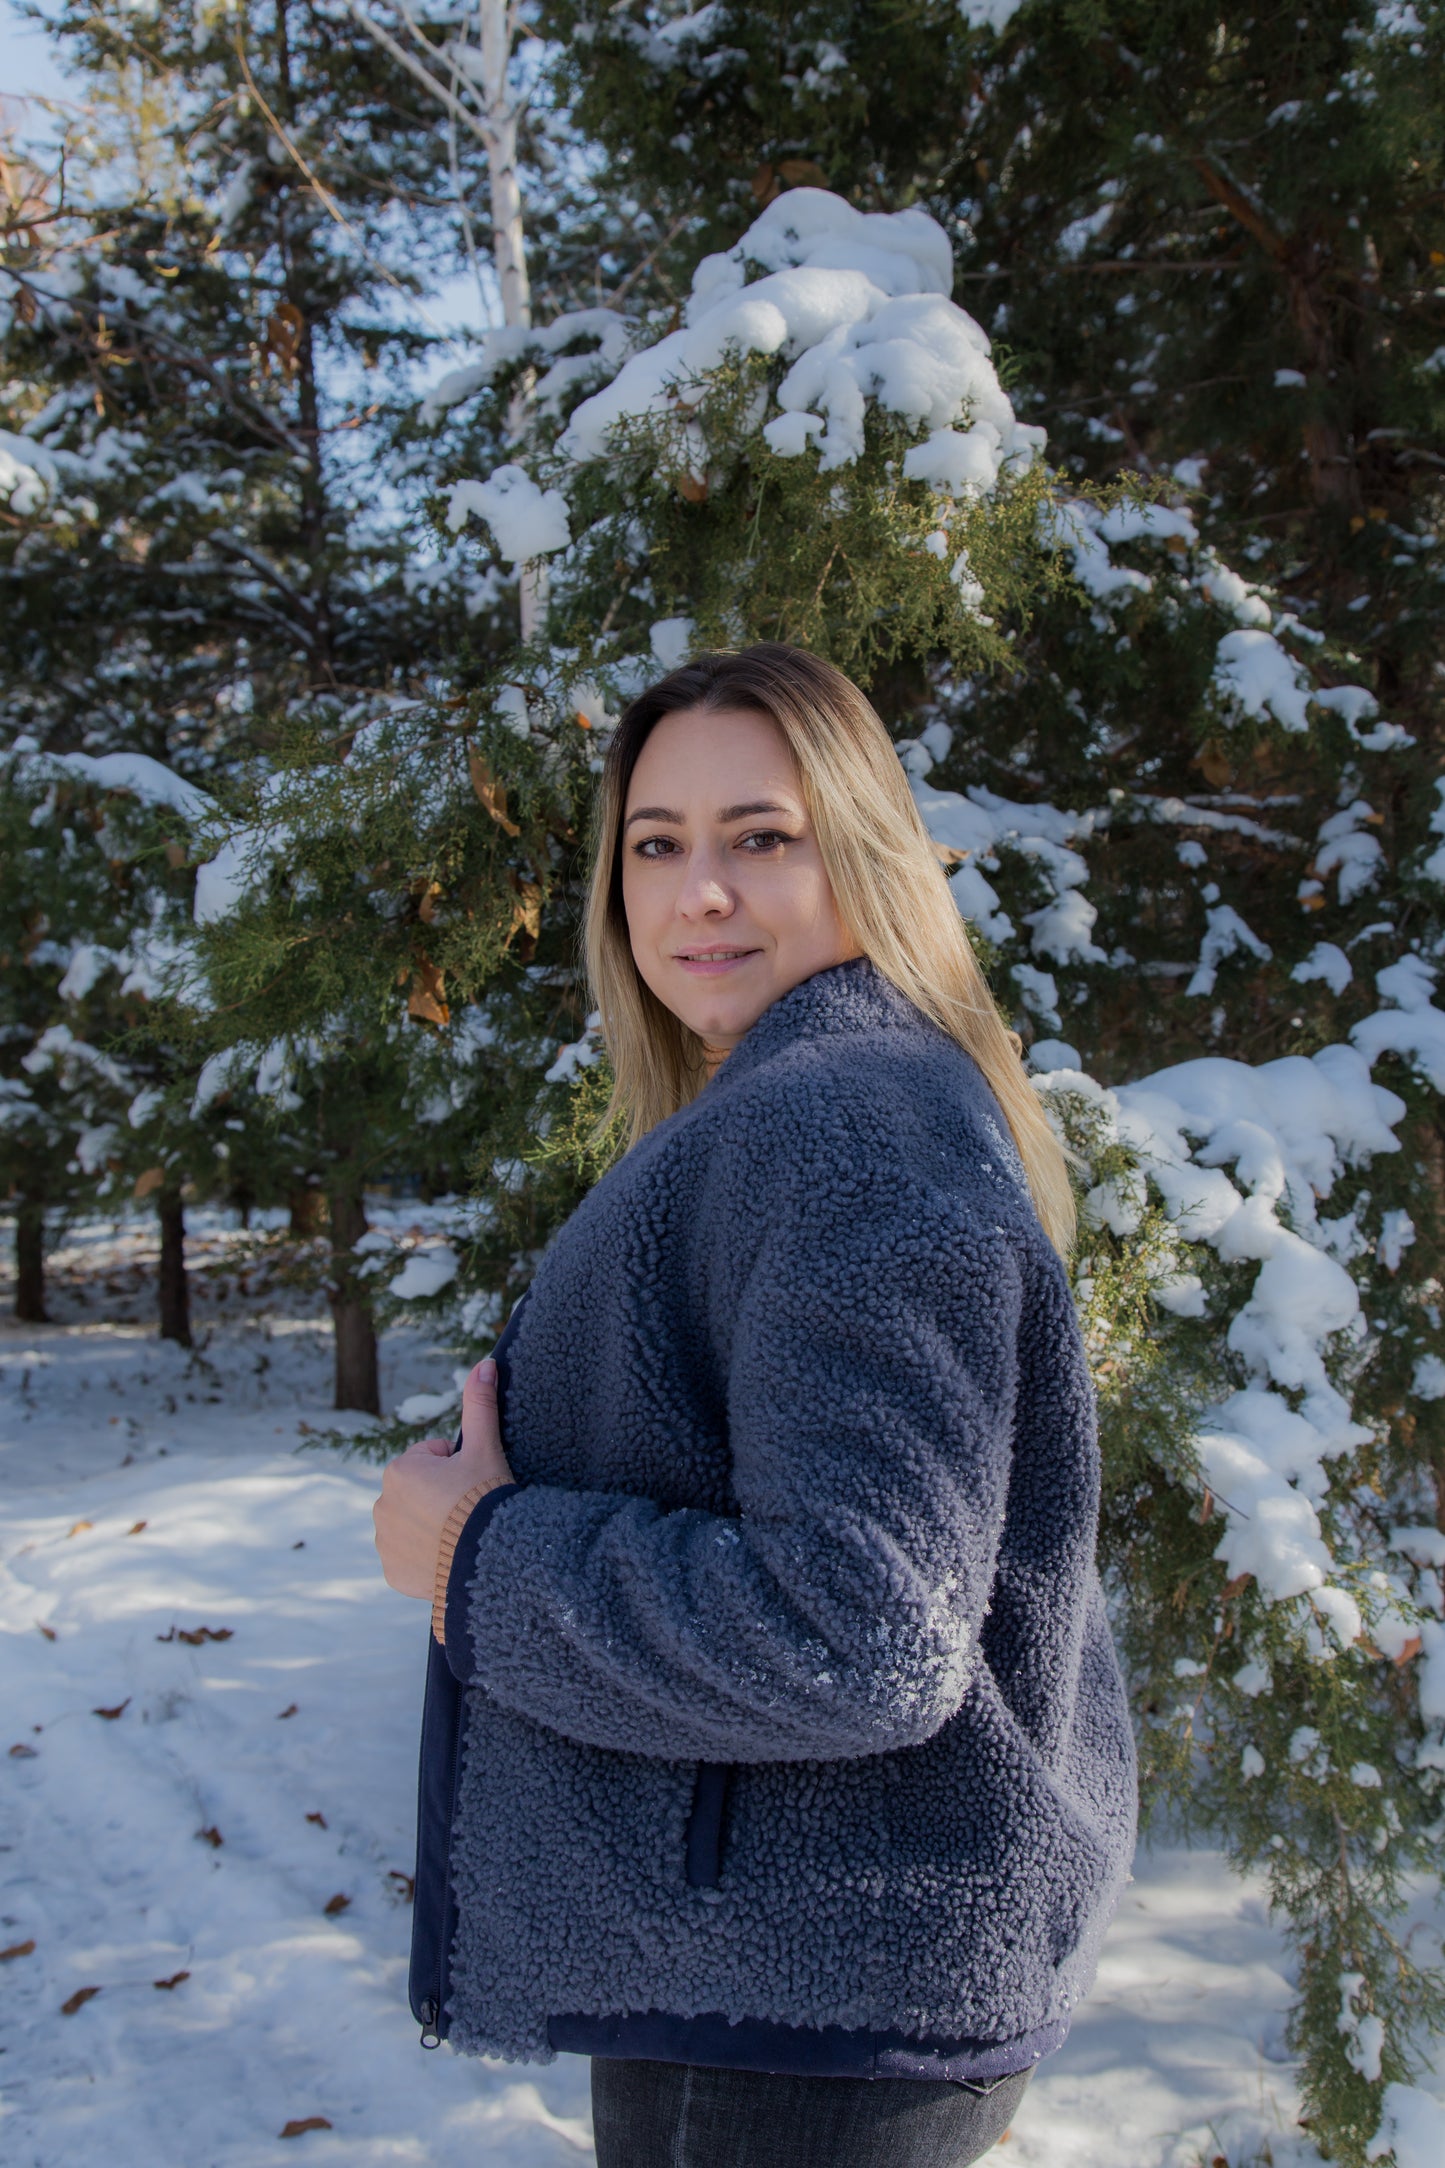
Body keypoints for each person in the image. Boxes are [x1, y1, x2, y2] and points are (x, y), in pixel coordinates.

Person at [372, 643, 1137, 2168]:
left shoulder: (843, 1131)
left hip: (805, 2008)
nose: (695, 892)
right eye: (655, 846)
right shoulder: (820, 1111)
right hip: (773, 1975)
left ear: (861, 853)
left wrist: (481, 1556)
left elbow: (864, 1632)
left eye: (760, 838)